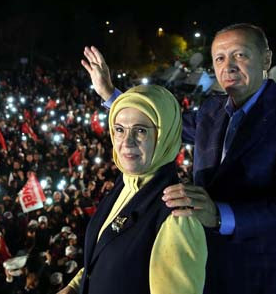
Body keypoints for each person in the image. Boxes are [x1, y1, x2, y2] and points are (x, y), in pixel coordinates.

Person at [82, 23, 276, 294]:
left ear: (266, 59)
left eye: (240, 55)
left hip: (262, 278)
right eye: (219, 58)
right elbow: (162, 125)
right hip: (204, 274)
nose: (229, 66)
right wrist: (111, 95)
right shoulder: (212, 109)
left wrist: (221, 216)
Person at [59, 85, 207, 294]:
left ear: (165, 136)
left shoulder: (178, 216)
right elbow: (107, 260)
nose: (126, 142)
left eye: (140, 130)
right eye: (119, 129)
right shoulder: (125, 183)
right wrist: (74, 287)